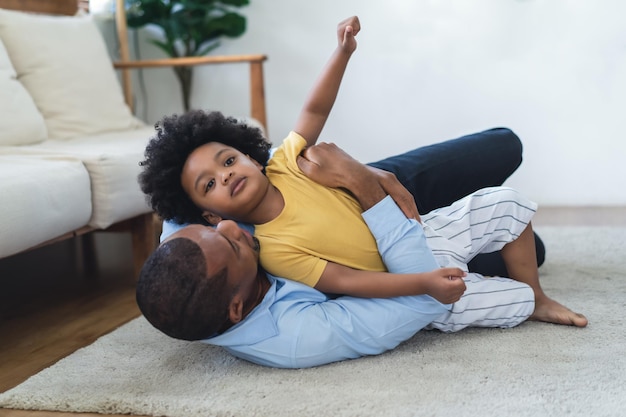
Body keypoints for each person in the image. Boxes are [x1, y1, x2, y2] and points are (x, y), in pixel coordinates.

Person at [139, 15, 586, 326]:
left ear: (252, 156)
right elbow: (348, 280)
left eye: (229, 160)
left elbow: (315, 107)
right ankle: (527, 301)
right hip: (406, 285)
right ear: (212, 217)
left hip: (423, 234)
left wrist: (343, 51)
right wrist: (422, 282)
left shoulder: (286, 162)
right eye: (210, 185)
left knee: (508, 205)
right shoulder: (272, 251)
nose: (227, 175)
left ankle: (540, 296)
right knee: (511, 302)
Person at [136, 161, 537, 368]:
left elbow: (199, 192)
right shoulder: (296, 336)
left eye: (215, 226)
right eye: (236, 246)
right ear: (237, 308)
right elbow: (424, 302)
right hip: (411, 273)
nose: (232, 227)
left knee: (503, 147)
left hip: (333, 209)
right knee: (524, 289)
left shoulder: (187, 245)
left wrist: (359, 173)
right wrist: (363, 185)